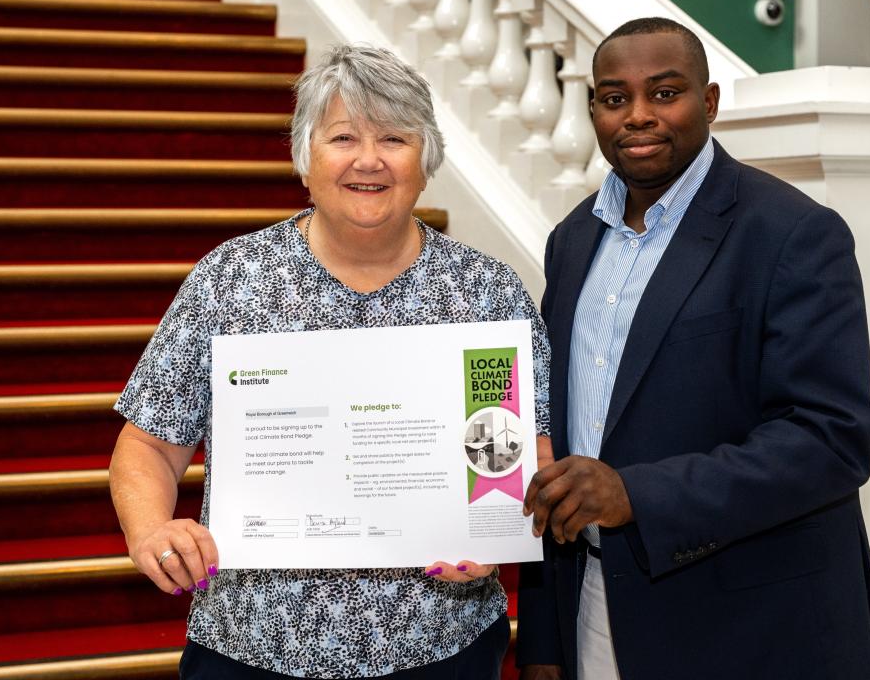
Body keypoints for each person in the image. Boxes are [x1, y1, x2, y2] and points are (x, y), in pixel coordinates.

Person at [109, 44, 551, 679]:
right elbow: (148, 446)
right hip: (250, 646)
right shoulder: (230, 281)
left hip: (438, 646)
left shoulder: (486, 293)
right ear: (305, 159)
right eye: (343, 137)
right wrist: (150, 529)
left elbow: (529, 449)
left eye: (394, 139)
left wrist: (501, 527)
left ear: (425, 162)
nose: (368, 160)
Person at [515, 18, 870, 679]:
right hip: (596, 605)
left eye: (665, 92)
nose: (638, 117)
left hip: (746, 623)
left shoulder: (792, 233)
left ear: (708, 103)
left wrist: (637, 495)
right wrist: (544, 638)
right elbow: (555, 444)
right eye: (614, 97)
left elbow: (832, 441)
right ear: (594, 109)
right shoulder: (572, 241)